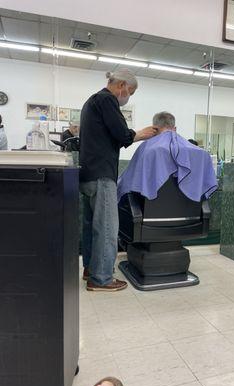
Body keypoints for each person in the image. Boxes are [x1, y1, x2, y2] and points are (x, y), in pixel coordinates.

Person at [79, 69, 157, 292]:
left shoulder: (91, 102)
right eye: (129, 92)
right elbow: (122, 135)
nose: (127, 97)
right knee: (106, 228)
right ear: (122, 85)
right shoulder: (107, 99)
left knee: (91, 225)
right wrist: (141, 133)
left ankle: (90, 269)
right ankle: (102, 278)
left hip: (88, 174)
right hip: (102, 174)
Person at [117, 112, 218, 203]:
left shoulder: (149, 149)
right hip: (190, 220)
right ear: (175, 129)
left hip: (149, 216)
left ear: (154, 129)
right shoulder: (200, 153)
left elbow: (128, 184)